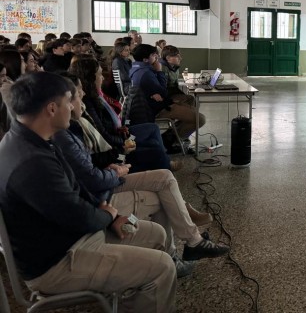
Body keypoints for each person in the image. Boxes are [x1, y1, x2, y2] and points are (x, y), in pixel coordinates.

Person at [0, 72, 177, 312]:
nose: (75, 105)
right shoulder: (31, 162)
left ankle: (134, 296)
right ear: (52, 108)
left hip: (76, 237)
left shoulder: (34, 140)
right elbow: (76, 215)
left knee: (156, 233)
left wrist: (111, 216)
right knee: (163, 267)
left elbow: (78, 188)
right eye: (68, 101)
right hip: (59, 262)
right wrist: (106, 217)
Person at [53, 74, 229, 277]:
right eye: (77, 94)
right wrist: (115, 169)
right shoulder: (68, 131)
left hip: (108, 170)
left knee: (164, 176)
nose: (82, 95)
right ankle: (179, 248)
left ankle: (188, 243)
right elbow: (90, 177)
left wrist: (117, 145)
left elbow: (93, 156)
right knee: (163, 192)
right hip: (105, 189)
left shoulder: (76, 121)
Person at [69, 54, 173, 172]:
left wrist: (122, 131)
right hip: (117, 149)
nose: (102, 77)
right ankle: (163, 165)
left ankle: (164, 164)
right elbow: (104, 136)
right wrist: (124, 142)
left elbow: (107, 125)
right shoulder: (88, 103)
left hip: (119, 134)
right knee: (154, 149)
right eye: (99, 74)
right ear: (90, 78)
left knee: (153, 134)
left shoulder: (97, 96)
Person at [130, 45, 199, 152]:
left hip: (152, 105)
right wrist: (159, 72)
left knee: (190, 105)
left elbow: (160, 92)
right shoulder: (147, 73)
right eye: (153, 55)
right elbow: (164, 92)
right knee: (199, 119)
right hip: (156, 109)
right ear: (145, 59)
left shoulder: (135, 68)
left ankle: (176, 133)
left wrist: (154, 93)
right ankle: (169, 139)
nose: (157, 56)